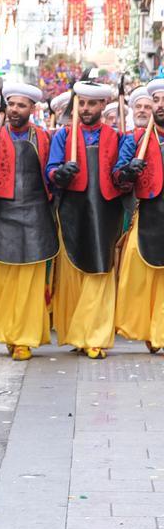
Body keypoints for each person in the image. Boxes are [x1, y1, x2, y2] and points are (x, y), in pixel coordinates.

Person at [0, 83, 57, 360]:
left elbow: (52, 172)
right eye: (12, 105)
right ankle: (8, 332)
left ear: (33, 108)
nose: (15, 110)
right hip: (2, 215)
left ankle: (24, 339)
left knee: (29, 283)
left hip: (36, 215)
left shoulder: (44, 137)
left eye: (22, 105)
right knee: (4, 280)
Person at [46, 81, 123, 359]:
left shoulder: (117, 137)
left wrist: (124, 176)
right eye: (82, 103)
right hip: (72, 210)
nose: (86, 108)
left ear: (103, 105)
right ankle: (75, 333)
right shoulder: (64, 136)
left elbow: (121, 176)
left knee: (100, 270)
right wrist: (59, 174)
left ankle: (95, 336)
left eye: (92, 103)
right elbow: (51, 171)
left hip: (105, 210)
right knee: (73, 273)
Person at [113, 78, 164, 350]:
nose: (160, 106)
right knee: (142, 276)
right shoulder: (136, 139)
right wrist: (127, 173)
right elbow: (118, 175)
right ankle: (149, 330)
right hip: (148, 214)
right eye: (157, 101)